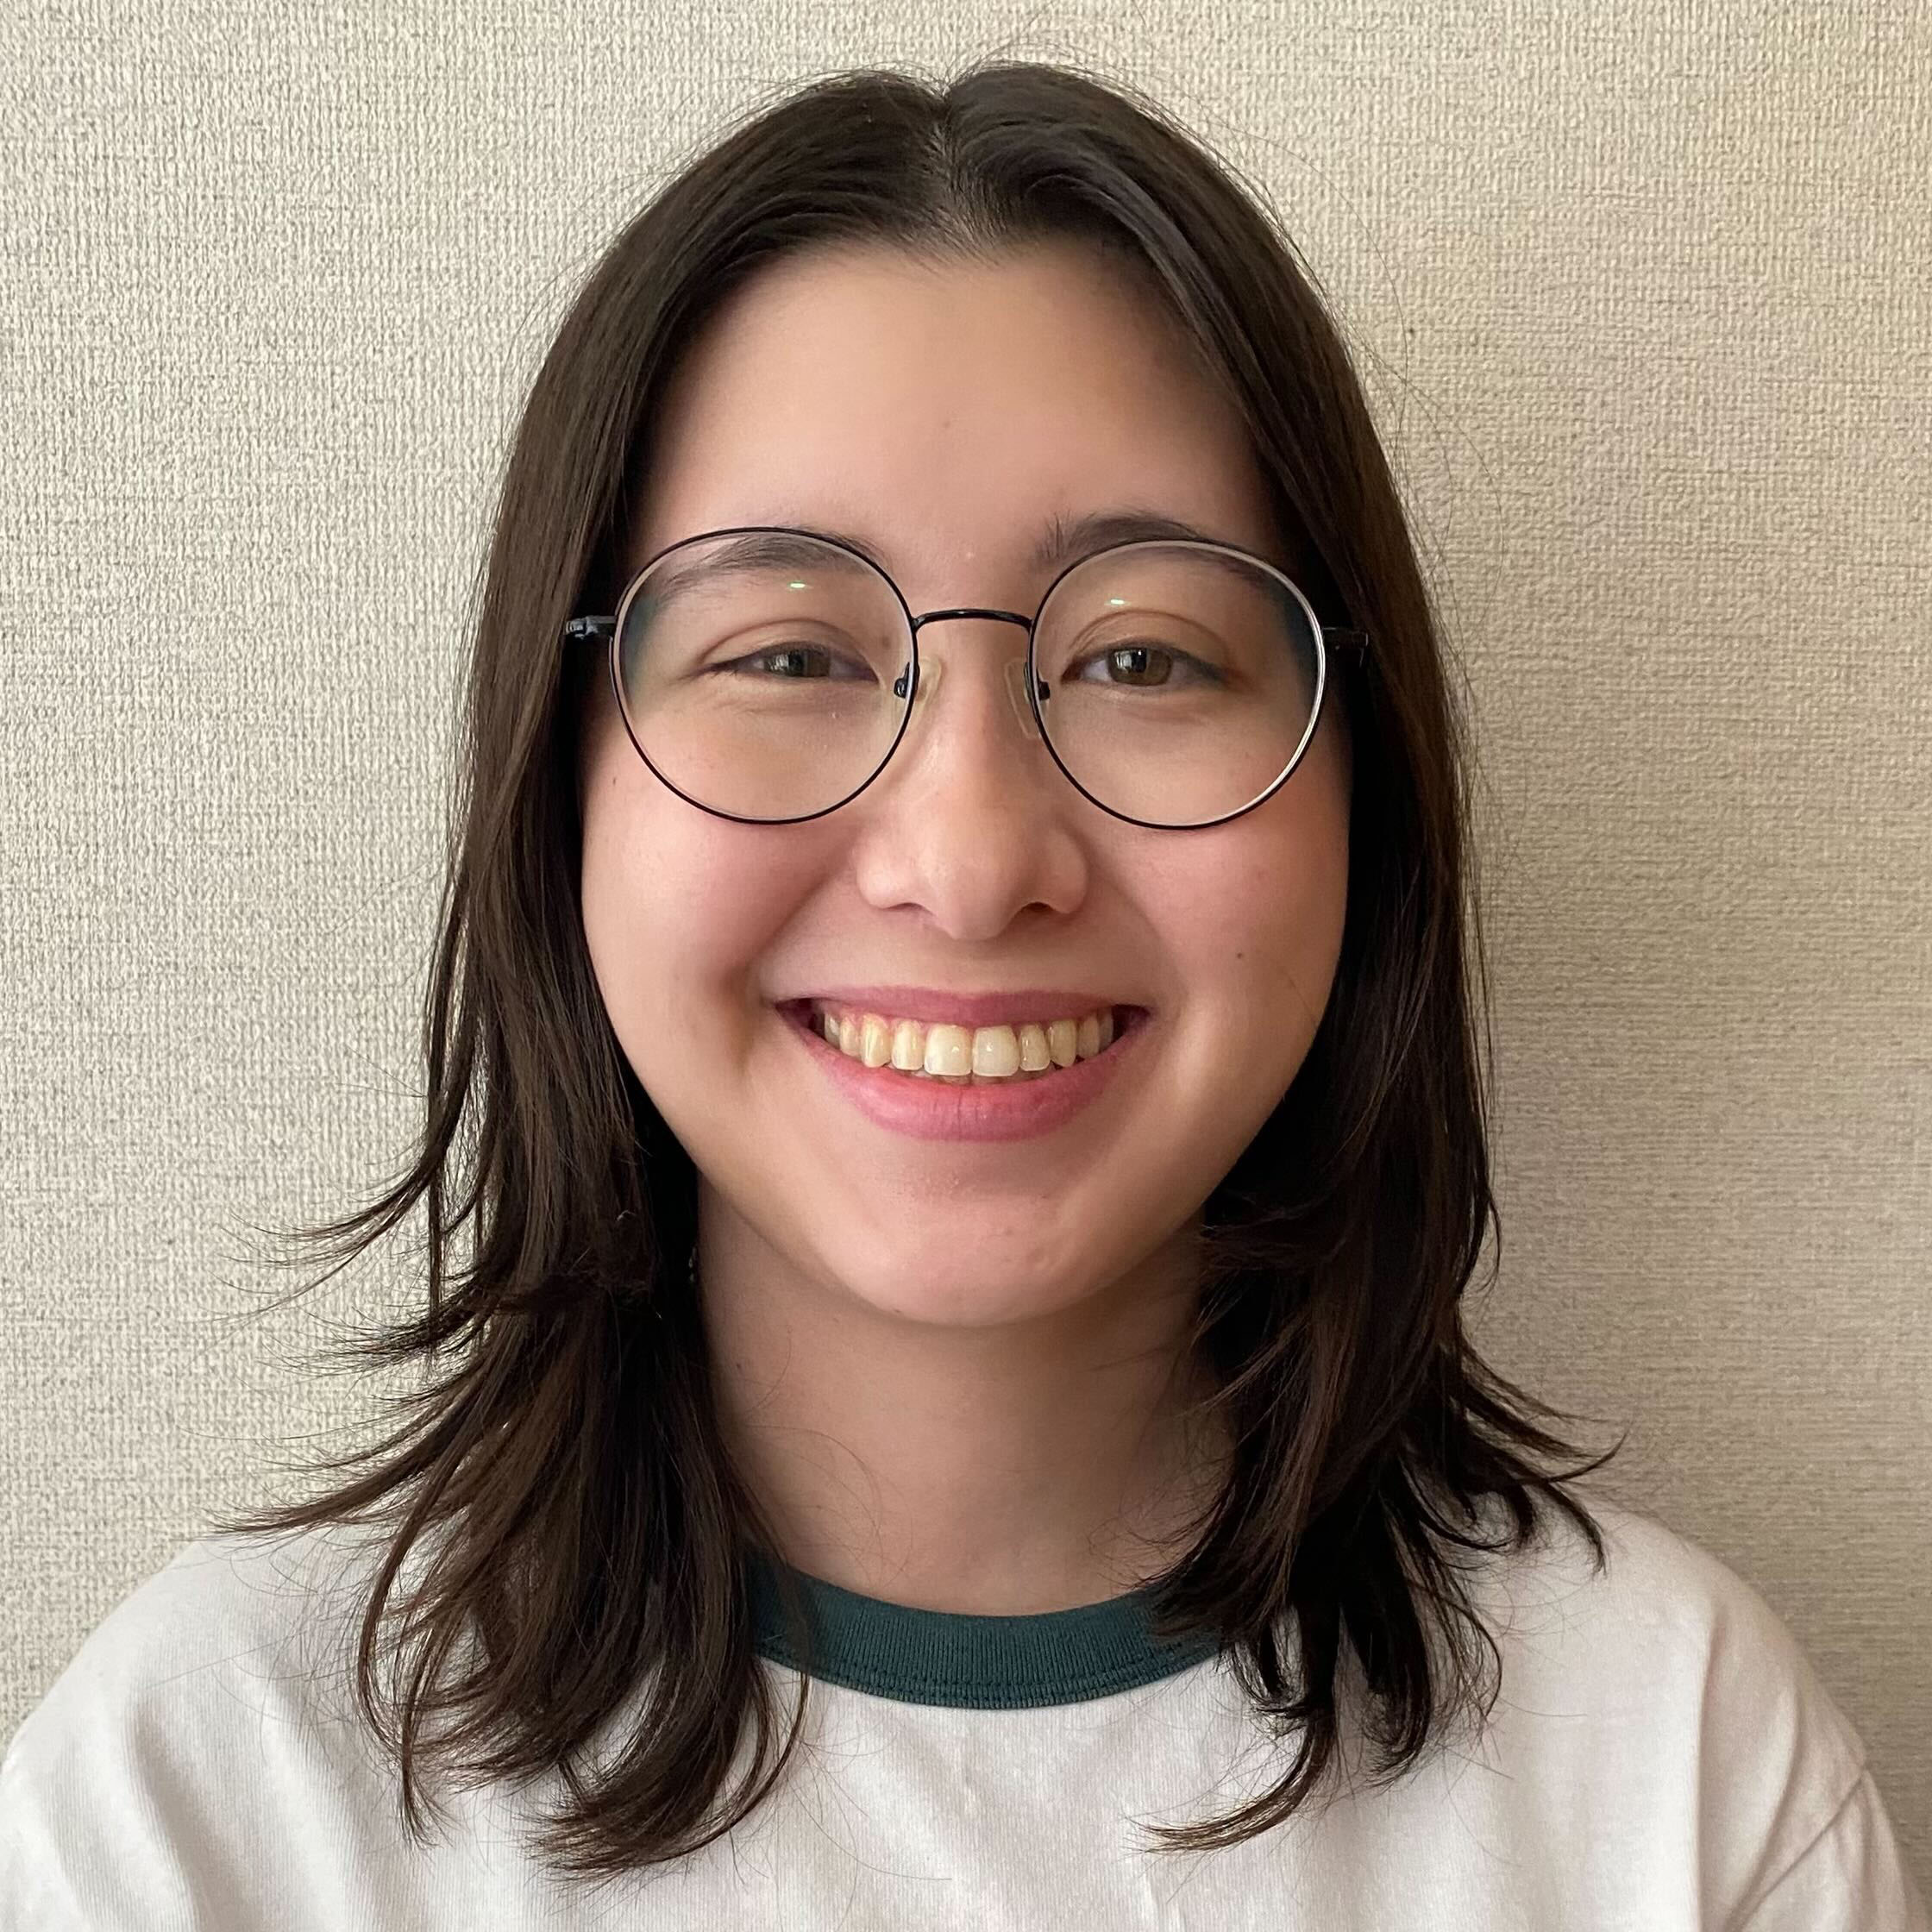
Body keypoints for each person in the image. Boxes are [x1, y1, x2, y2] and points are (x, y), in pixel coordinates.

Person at [2, 59, 1923, 1932]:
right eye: (785, 649)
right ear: (558, 782)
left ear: (1370, 796)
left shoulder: (1672, 1777)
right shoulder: (206, 1796)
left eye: (1146, 658)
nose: (970, 850)